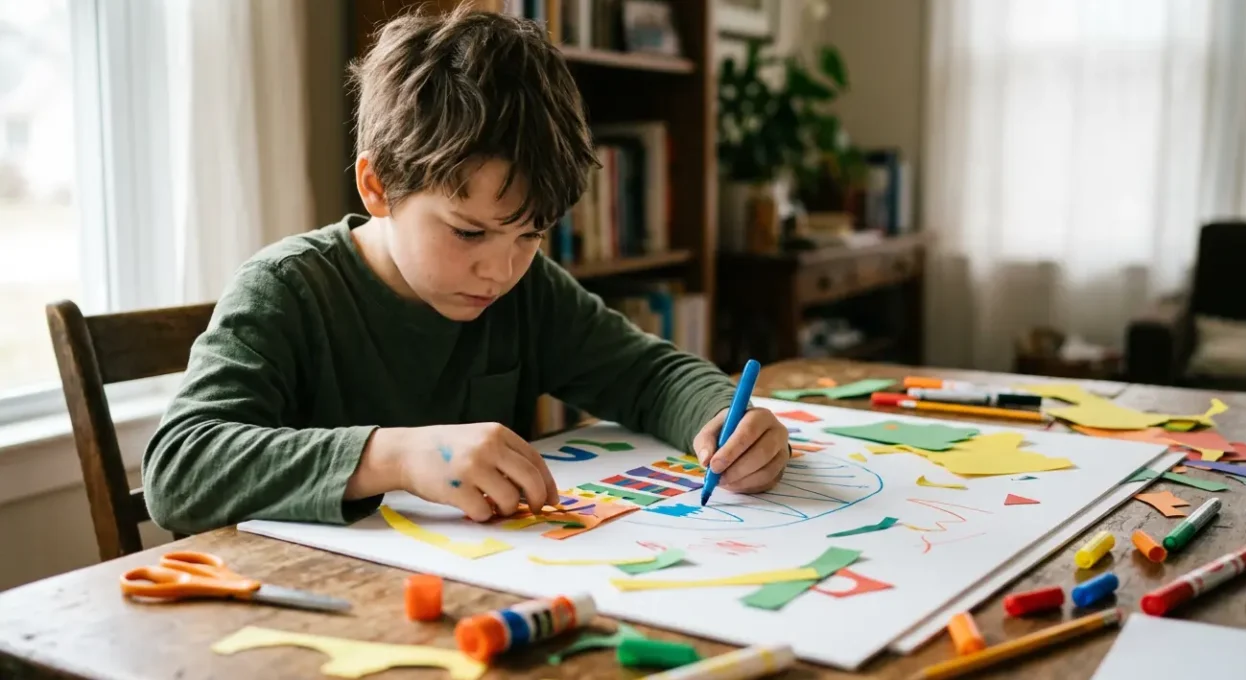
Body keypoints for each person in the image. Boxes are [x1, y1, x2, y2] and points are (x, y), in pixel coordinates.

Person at [141, 6, 789, 535]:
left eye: (529, 233)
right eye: (468, 231)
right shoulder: (286, 291)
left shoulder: (526, 291)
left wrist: (723, 422)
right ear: (377, 186)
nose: (500, 269)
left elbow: (647, 375)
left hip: (475, 600)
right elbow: (180, 468)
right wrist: (392, 456)